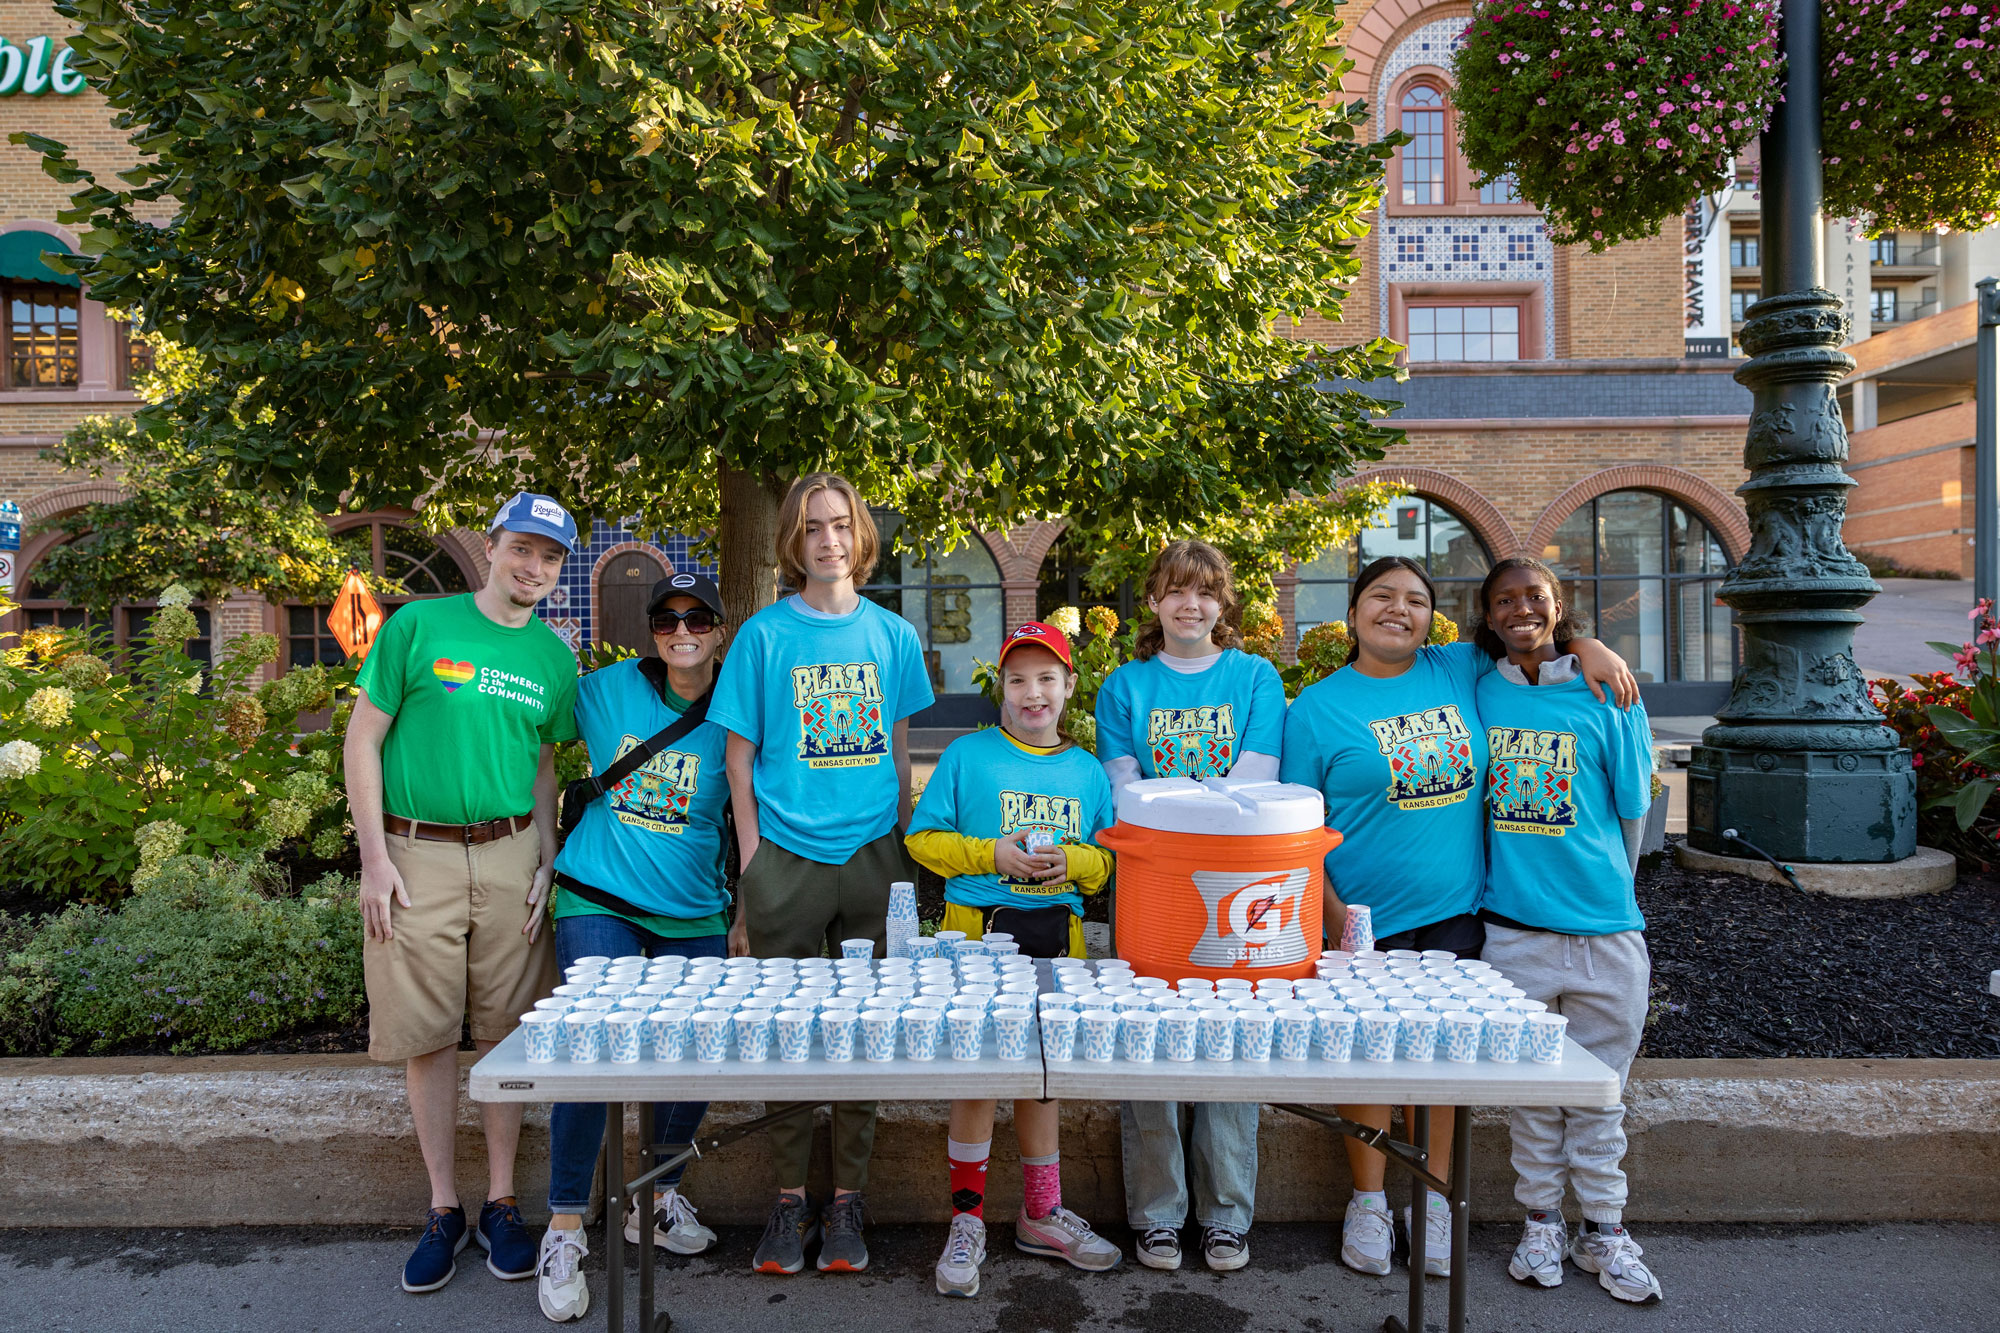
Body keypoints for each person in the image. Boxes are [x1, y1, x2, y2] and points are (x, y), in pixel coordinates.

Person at [1280, 555, 1638, 1282]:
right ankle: (1370, 1201)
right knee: (1368, 1059)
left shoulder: (1455, 668)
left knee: (1442, 1065)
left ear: (1432, 619)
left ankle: (1433, 1201)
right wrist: (1335, 915)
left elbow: (1530, 633)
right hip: (1362, 920)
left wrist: (1590, 646)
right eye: (1381, 596)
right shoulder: (1315, 707)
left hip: (1460, 915)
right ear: (1352, 613)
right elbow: (1296, 831)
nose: (1397, 609)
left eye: (1414, 599)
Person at [345, 492, 581, 1295]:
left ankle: (504, 1202)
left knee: (507, 1033)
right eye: (522, 548)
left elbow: (544, 762)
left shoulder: (554, 657)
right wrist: (374, 859)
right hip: (418, 855)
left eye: (549, 557)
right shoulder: (420, 626)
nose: (533, 567)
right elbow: (363, 737)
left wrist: (547, 857)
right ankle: (444, 1208)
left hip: (513, 854)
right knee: (430, 1034)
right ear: (492, 545)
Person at [709, 472, 934, 1276]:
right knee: (790, 1031)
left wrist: (905, 843)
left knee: (864, 1029)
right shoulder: (764, 637)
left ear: (860, 535)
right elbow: (738, 759)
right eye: (813, 529)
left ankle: (849, 1202)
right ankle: (788, 1198)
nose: (829, 540)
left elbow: (901, 747)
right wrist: (754, 861)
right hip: (788, 858)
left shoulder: (893, 636)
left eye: (840, 525)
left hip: (874, 853)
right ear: (793, 542)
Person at [534, 573, 735, 1322]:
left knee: (703, 1045)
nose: (681, 630)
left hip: (692, 909)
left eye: (697, 617)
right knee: (593, 1048)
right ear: (650, 628)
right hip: (598, 895)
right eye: (665, 618)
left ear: (720, 626)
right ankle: (563, 1228)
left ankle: (652, 1196)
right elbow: (527, 728)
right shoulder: (606, 689)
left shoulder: (736, 706)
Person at [906, 620, 1122, 1297]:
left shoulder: (1086, 771)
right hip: (978, 939)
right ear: (1001, 687)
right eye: (1019, 679)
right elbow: (922, 839)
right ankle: (966, 1221)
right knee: (978, 1077)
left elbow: (1110, 861)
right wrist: (991, 853)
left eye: (1047, 678)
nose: (1034, 693)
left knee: (1043, 1077)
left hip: (1059, 941)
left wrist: (1076, 858)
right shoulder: (970, 757)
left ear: (1069, 687)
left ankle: (1041, 1211)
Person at [1470, 557, 1664, 1305]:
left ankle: (1606, 1229)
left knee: (1599, 1093)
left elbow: (1632, 814)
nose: (1521, 609)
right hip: (1513, 932)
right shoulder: (1481, 690)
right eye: (1504, 600)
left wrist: (1591, 651)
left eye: (1535, 597)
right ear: (1487, 616)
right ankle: (1541, 1220)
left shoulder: (1607, 693)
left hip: (1605, 930)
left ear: (1559, 606)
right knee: (1532, 1093)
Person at [1095, 539, 1285, 1273]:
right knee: (1150, 1046)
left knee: (1230, 1043)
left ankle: (1228, 1214)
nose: (1190, 604)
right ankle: (1156, 1214)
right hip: (1151, 890)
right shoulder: (1126, 686)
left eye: (1205, 591)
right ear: (1152, 601)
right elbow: (1125, 793)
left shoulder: (1254, 678)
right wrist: (1198, 806)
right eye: (1175, 590)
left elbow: (1257, 785)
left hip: (1239, 892)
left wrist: (1181, 804)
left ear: (1223, 603)